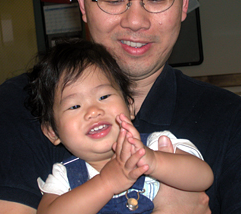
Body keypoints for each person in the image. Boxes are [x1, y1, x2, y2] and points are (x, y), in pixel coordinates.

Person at [0, 0, 241, 213]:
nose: (135, 21)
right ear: (82, 1)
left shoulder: (235, 120)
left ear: (184, 0)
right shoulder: (25, 103)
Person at [28, 40, 213, 213]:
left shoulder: (155, 144)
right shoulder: (64, 176)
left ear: (130, 105)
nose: (93, 111)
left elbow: (204, 177)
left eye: (104, 97)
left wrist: (155, 161)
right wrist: (106, 183)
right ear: (52, 131)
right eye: (74, 106)